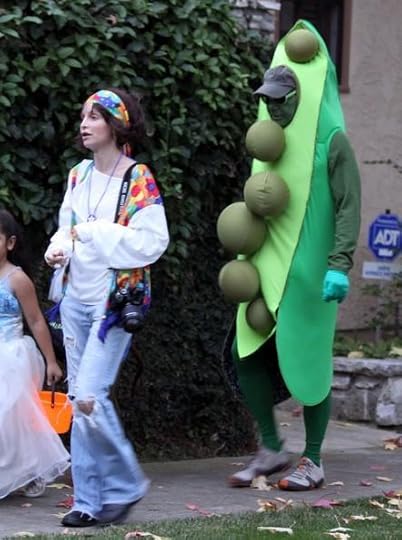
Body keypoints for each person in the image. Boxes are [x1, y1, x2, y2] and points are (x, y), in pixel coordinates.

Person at [222, 20, 361, 491]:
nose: (274, 106)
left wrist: (339, 265)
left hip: (312, 275)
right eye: (269, 99)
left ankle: (314, 459)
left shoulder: (332, 140)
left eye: (282, 99)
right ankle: (270, 447)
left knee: (310, 364)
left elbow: (348, 205)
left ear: (302, 96)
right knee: (245, 352)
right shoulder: (269, 142)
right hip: (266, 268)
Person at [44, 88, 169, 527]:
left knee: (89, 397)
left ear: (116, 125)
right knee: (80, 401)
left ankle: (126, 484)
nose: (84, 124)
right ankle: (87, 501)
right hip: (74, 299)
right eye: (83, 116)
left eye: (94, 117)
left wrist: (96, 232)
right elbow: (67, 228)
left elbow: (152, 242)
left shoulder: (137, 178)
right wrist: (57, 249)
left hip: (113, 304)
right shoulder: (78, 174)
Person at [0, 209, 69, 500]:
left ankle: (28, 469)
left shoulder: (17, 279)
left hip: (11, 358)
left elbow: (36, 320)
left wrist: (51, 360)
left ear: (10, 243)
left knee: (9, 419)